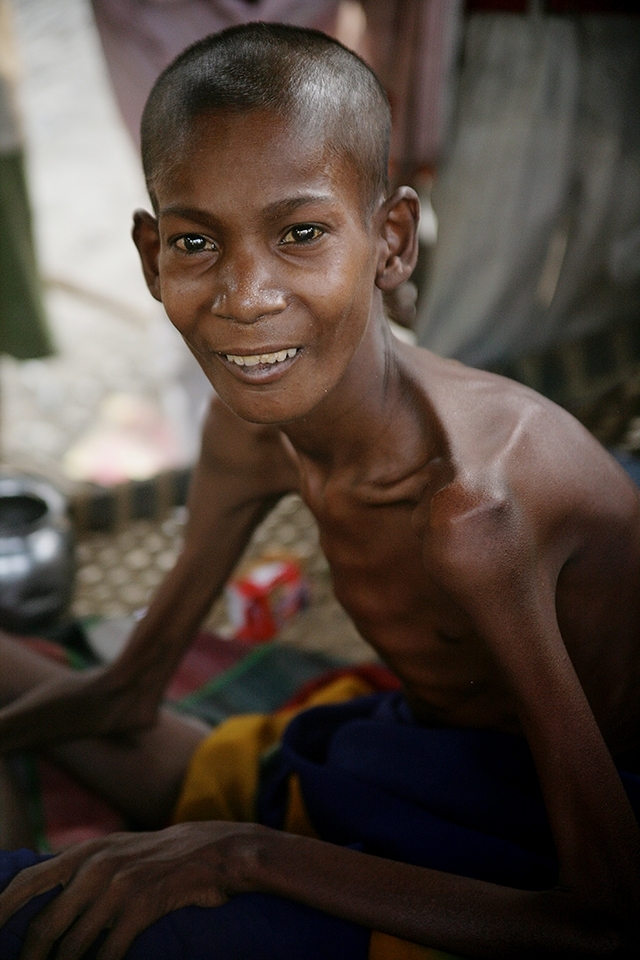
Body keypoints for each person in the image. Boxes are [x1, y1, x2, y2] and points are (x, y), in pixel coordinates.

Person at [0, 22, 639, 960]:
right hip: (426, 751)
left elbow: (607, 910)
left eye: (301, 234)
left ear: (391, 241)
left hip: (574, 824)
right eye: (195, 242)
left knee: (40, 917)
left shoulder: (477, 509)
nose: (246, 295)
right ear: (149, 258)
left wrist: (245, 858)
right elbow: (131, 693)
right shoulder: (249, 436)